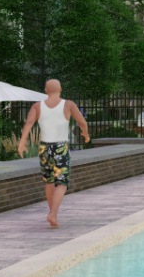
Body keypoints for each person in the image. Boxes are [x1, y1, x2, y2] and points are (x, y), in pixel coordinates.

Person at [16, 79, 91, 228]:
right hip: (60, 148)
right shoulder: (68, 105)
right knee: (62, 182)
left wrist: (22, 143)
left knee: (49, 181)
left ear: (45, 90)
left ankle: (53, 213)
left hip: (44, 148)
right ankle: (53, 214)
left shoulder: (37, 106)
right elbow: (82, 122)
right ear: (60, 89)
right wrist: (86, 134)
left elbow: (28, 123)